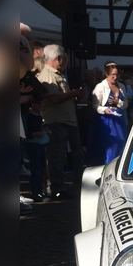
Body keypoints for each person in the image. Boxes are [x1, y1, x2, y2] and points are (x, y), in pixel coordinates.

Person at [38, 44, 86, 199]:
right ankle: (56, 187)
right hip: (57, 121)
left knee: (74, 154)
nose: (67, 62)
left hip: (67, 121)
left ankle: (72, 184)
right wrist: (73, 93)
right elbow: (52, 99)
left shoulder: (57, 74)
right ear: (59, 58)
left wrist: (73, 94)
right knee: (56, 155)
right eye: (65, 58)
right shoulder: (48, 75)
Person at [91, 61, 129, 165]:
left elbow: (125, 104)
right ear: (107, 74)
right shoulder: (100, 87)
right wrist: (104, 110)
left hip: (118, 120)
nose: (115, 77)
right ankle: (107, 166)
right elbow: (95, 106)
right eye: (113, 75)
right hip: (106, 121)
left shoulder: (122, 86)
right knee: (110, 146)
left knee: (121, 142)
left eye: (117, 75)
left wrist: (118, 102)